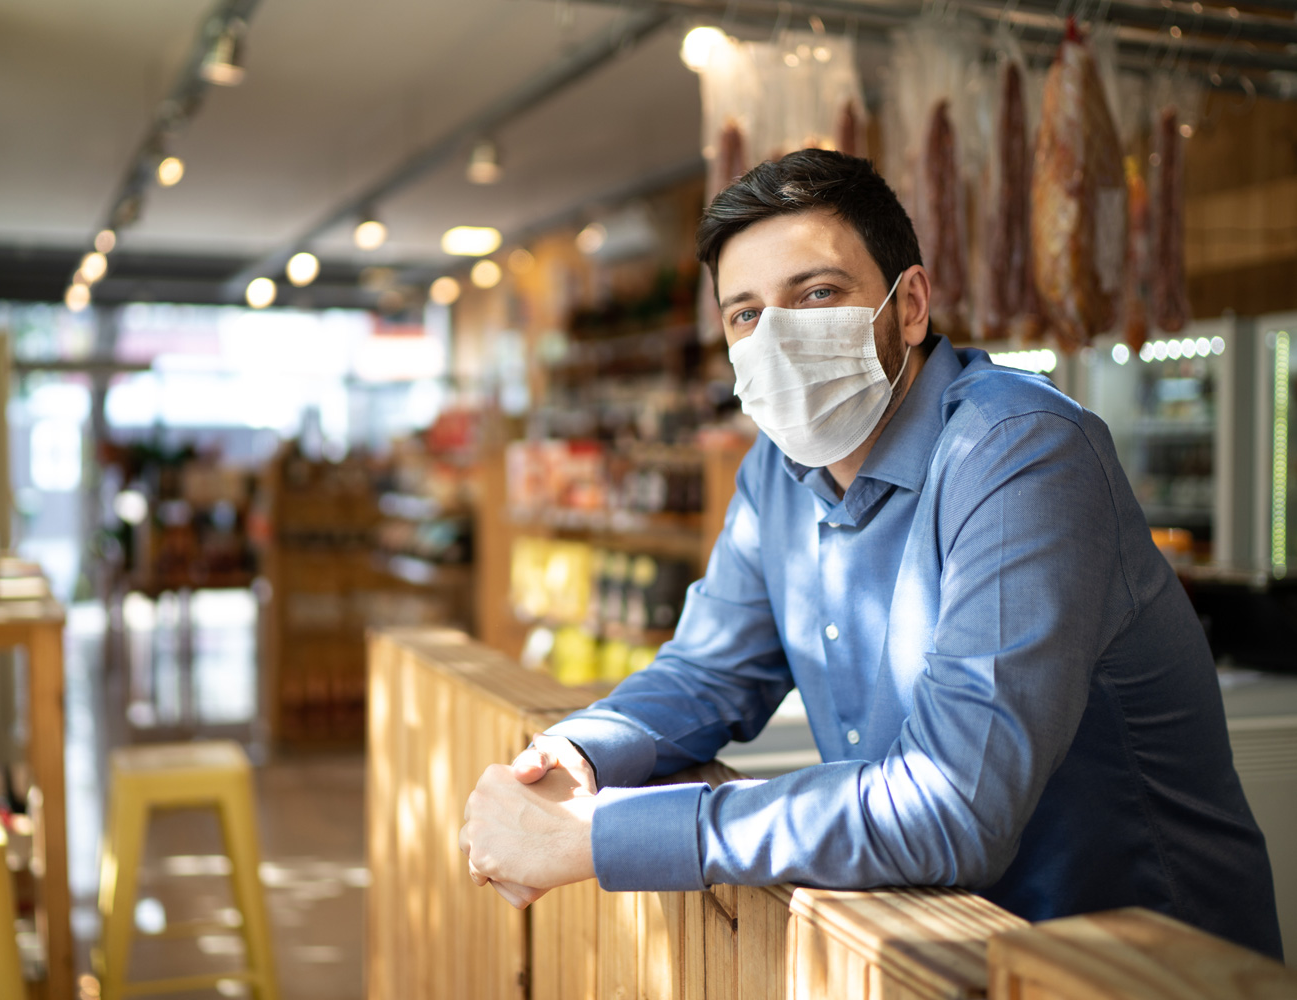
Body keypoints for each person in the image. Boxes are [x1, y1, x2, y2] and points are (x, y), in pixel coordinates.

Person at [457, 149, 1283, 959]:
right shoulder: (777, 472)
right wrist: (575, 753)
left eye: (816, 294)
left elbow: (952, 804)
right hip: (931, 950)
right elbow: (707, 674)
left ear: (911, 303)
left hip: (1127, 966)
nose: (777, 336)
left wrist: (606, 836)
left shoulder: (1019, 452)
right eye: (746, 314)